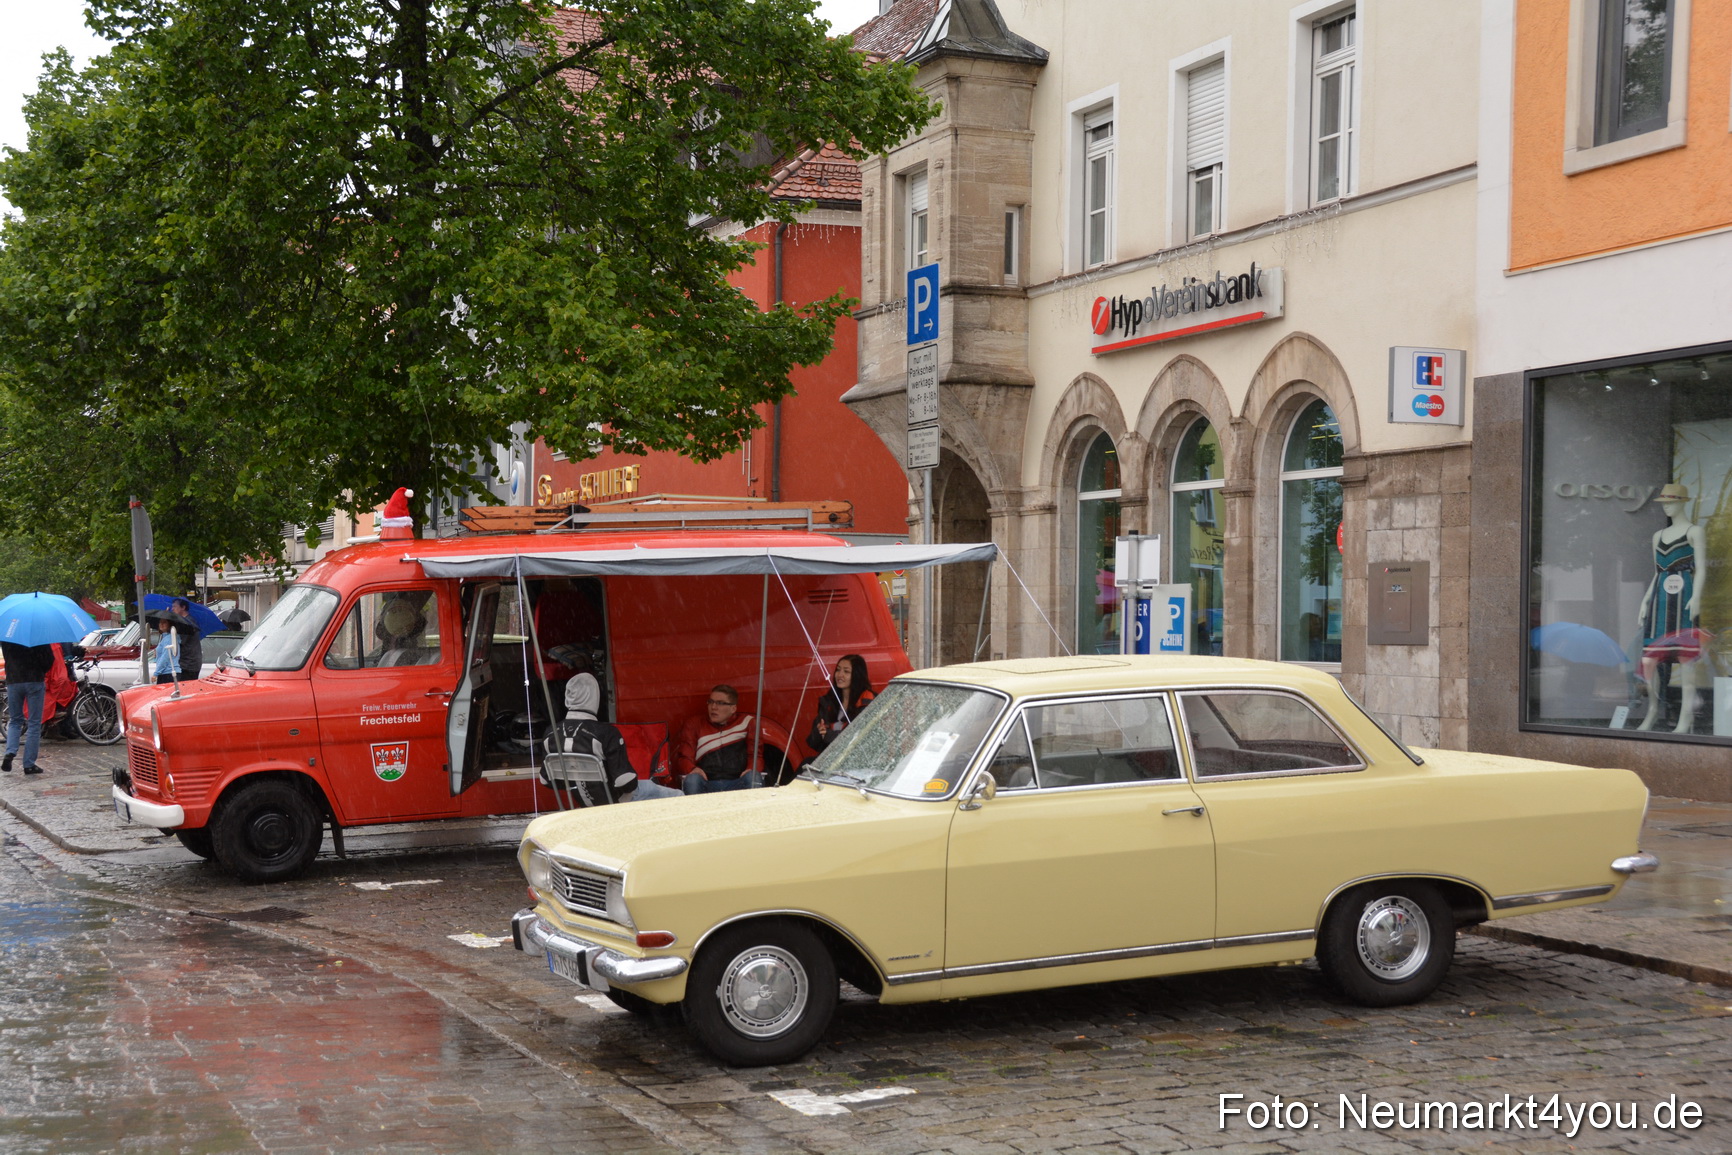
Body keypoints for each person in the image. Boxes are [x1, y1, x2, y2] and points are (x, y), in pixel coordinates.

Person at [545, 673, 679, 805]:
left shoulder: (550, 733)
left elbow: (546, 780)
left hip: (582, 802)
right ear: (594, 697)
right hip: (616, 801)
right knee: (678, 796)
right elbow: (625, 782)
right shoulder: (606, 733)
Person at [675, 684, 793, 794]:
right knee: (692, 780)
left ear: (733, 708)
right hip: (707, 782)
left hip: (737, 782)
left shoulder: (748, 722)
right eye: (711, 702)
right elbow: (684, 758)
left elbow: (756, 755)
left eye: (720, 703)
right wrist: (692, 769)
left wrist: (752, 769)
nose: (713, 707)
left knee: (753, 778)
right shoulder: (694, 723)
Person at [1, 640, 54, 775]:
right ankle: (29, 764)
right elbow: (49, 660)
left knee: (15, 720)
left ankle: (10, 752)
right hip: (34, 680)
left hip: (14, 681)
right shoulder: (39, 637)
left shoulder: (8, 637)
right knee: (34, 723)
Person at [806, 654, 874, 755]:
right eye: (838, 670)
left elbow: (857, 738)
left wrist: (828, 735)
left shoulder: (866, 700)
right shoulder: (829, 700)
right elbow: (813, 742)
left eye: (846, 671)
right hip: (830, 758)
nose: (839, 675)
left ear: (857, 675)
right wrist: (819, 731)